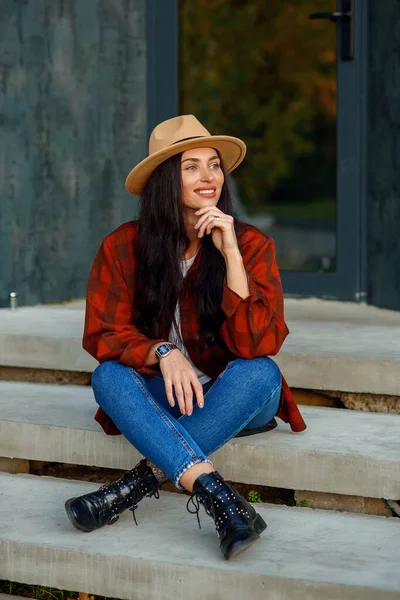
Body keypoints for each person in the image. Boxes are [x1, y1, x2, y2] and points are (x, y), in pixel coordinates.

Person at [64, 114, 306, 560]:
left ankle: (130, 488)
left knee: (262, 372)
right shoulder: (122, 246)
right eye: (190, 166)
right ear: (164, 180)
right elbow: (103, 332)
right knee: (108, 377)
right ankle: (221, 499)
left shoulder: (251, 244)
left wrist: (230, 254)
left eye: (214, 164)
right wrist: (161, 351)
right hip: (165, 392)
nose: (208, 176)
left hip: (234, 393)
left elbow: (257, 344)